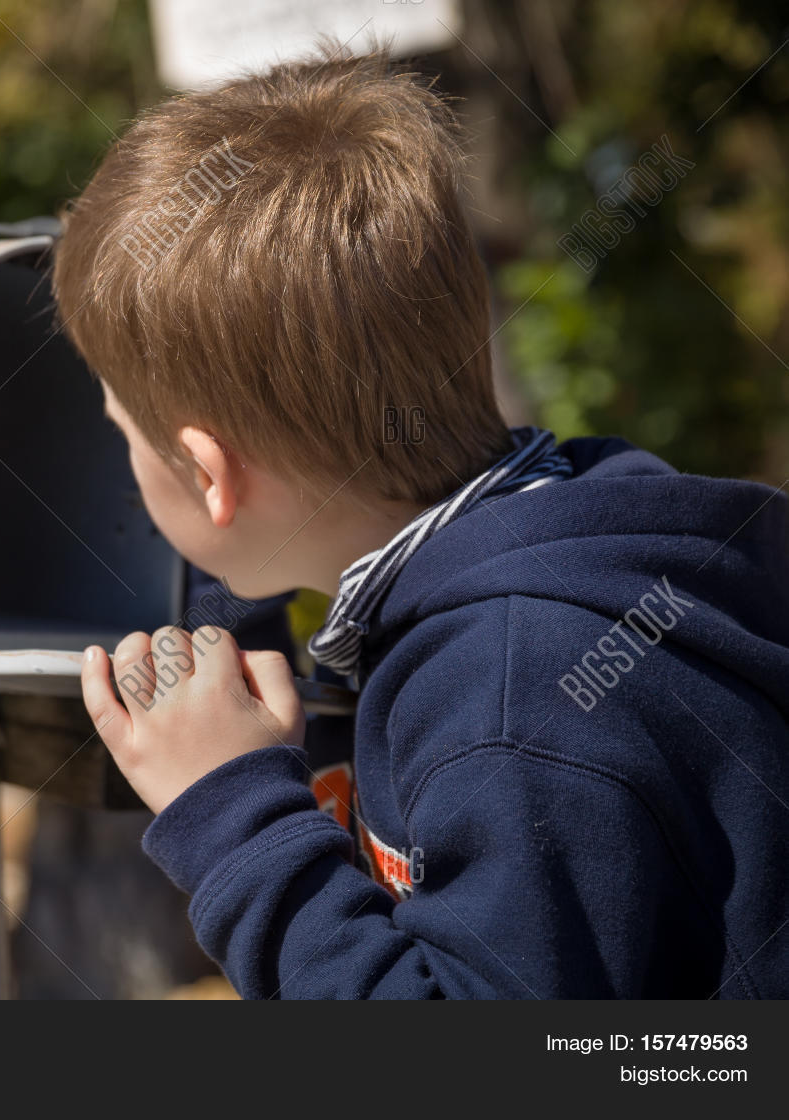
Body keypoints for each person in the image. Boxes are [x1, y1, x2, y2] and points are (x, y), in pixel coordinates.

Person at [54, 48, 789, 998]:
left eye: (124, 436)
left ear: (207, 475)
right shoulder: (582, 541)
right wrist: (224, 619)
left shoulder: (513, 707)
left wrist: (229, 815)